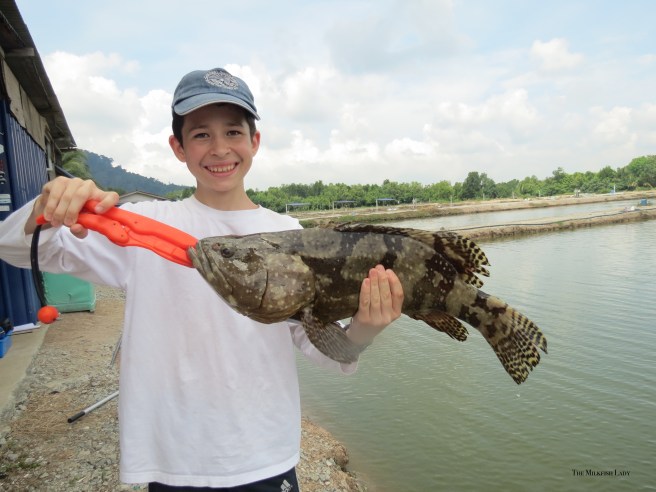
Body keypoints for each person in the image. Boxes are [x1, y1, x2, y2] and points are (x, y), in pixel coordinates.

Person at [0, 67, 404, 490]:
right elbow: (16, 249)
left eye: (233, 132)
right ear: (178, 147)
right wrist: (46, 209)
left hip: (265, 453)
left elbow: (318, 343)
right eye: (201, 134)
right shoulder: (144, 224)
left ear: (254, 141)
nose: (219, 148)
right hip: (175, 457)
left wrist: (365, 328)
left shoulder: (290, 233)